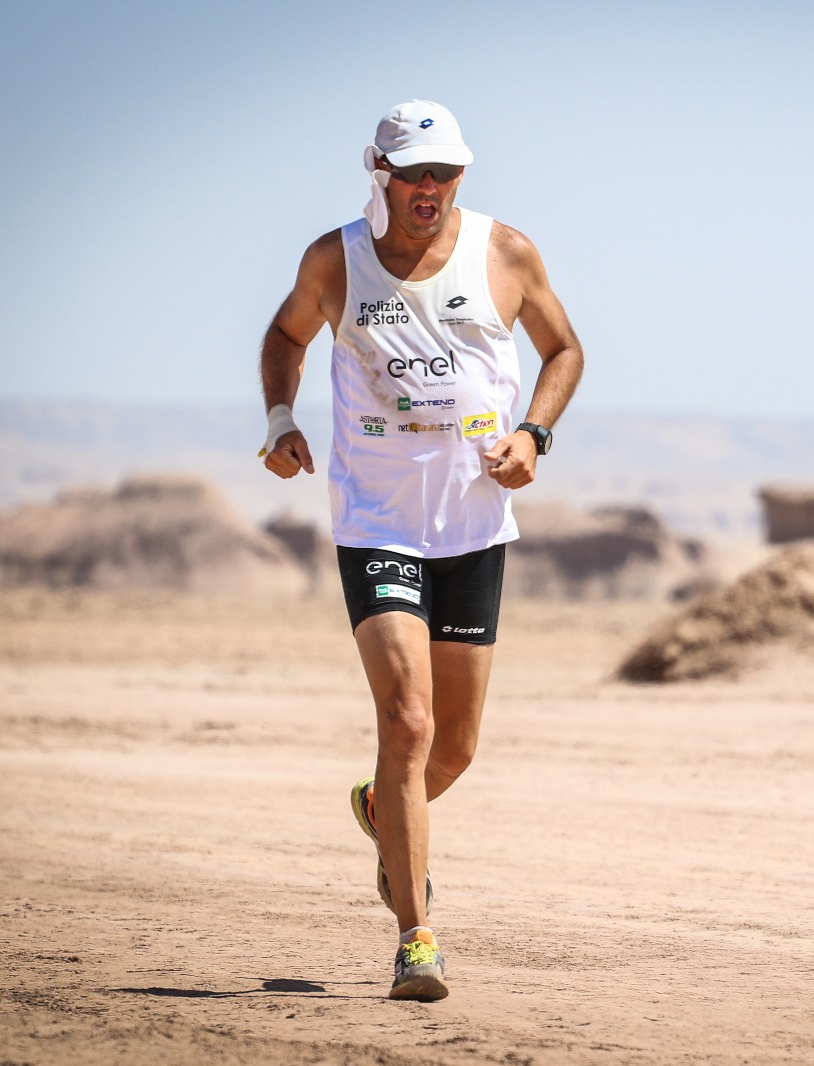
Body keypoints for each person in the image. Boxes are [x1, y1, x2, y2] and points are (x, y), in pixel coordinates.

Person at [258, 100, 583, 1001]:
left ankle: (380, 812)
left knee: (454, 751)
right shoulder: (336, 261)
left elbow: (563, 350)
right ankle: (416, 938)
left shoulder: (505, 252)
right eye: (413, 174)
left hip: (473, 524)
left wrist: (534, 435)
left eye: (445, 172)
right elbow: (285, 336)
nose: (430, 188)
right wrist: (281, 417)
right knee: (407, 723)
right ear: (382, 172)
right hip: (377, 520)